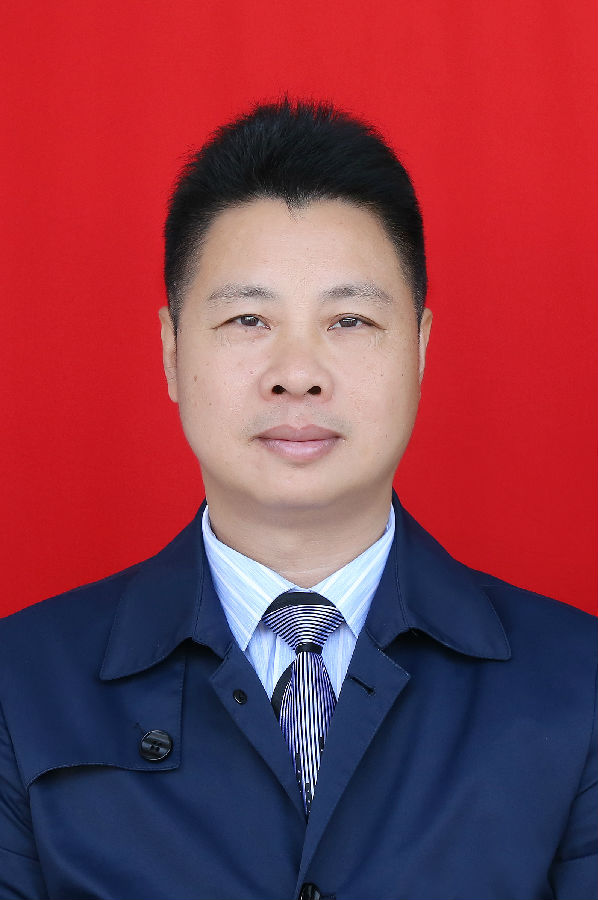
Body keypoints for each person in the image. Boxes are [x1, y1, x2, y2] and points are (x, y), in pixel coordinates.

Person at [0, 100, 595, 900]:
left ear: (420, 349)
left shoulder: (579, 687)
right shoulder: (20, 687)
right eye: (249, 318)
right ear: (172, 351)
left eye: (349, 319)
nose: (298, 374)